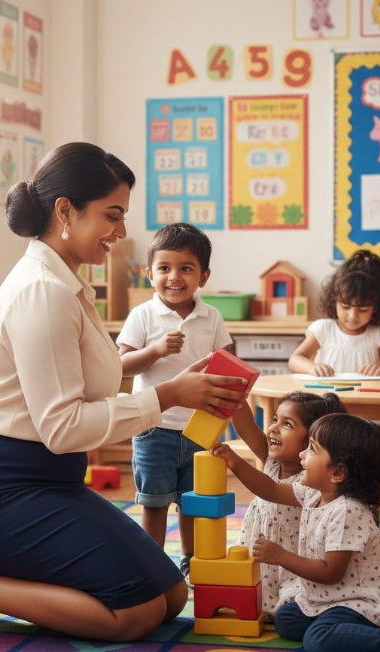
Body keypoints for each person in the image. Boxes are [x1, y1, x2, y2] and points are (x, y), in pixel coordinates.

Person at [0, 142, 252, 642]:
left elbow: (84, 403)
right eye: (112, 215)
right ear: (65, 210)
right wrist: (166, 396)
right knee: (135, 614)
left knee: (170, 596)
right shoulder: (44, 291)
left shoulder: (69, 286)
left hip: (51, 482)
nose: (122, 232)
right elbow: (61, 429)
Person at [211, 414, 380, 652]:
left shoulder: (347, 511)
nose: (302, 455)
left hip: (362, 602)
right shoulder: (313, 494)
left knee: (318, 640)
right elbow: (270, 489)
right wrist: (236, 463)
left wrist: (280, 556)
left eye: (311, 449)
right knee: (286, 619)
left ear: (338, 473)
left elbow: (330, 572)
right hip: (330, 599)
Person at [117, 222, 237, 582]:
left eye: (186, 268)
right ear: (149, 273)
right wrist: (154, 351)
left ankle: (189, 560)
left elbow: (227, 358)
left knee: (192, 503)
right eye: (164, 268)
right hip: (154, 427)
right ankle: (154, 563)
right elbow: (121, 365)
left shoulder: (211, 316)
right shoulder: (143, 315)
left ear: (203, 276)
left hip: (200, 428)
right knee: (154, 503)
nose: (174, 277)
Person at [230, 391, 346, 619]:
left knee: (290, 613)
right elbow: (245, 427)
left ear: (312, 441)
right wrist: (235, 397)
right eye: (275, 419)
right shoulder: (273, 461)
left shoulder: (312, 481)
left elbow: (269, 489)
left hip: (294, 568)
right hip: (263, 560)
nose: (273, 428)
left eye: (287, 424)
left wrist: (235, 463)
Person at [288, 249, 380, 377]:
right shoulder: (324, 329)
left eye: (363, 310)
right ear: (334, 300)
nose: (353, 316)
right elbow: (295, 359)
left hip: (364, 395)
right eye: (345, 307)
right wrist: (312, 367)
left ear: (376, 307)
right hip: (327, 395)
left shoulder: (378, 333)